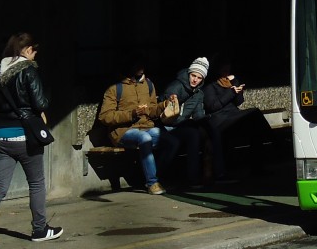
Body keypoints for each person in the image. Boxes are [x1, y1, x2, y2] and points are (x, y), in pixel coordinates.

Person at [0, 32, 61, 249]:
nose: (35, 55)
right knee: (36, 183)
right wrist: (48, 91)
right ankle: (40, 229)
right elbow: (41, 103)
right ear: (27, 49)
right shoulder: (29, 70)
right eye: (34, 50)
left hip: (0, 137)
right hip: (25, 137)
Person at [97, 61, 167, 195]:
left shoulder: (148, 84)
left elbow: (152, 110)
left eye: (142, 65)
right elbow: (105, 116)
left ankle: (158, 175)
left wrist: (163, 105)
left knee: (170, 140)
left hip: (145, 126)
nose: (141, 68)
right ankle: (152, 182)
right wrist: (131, 114)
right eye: (137, 65)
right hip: (122, 131)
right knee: (145, 138)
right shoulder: (115, 87)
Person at [161, 56, 226, 187]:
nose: (195, 80)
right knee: (193, 133)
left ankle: (218, 173)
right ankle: (193, 177)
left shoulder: (198, 93)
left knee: (211, 130)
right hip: (168, 126)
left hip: (181, 125)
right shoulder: (176, 87)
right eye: (193, 76)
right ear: (189, 74)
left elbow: (198, 115)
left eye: (199, 77)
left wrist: (206, 121)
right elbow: (167, 114)